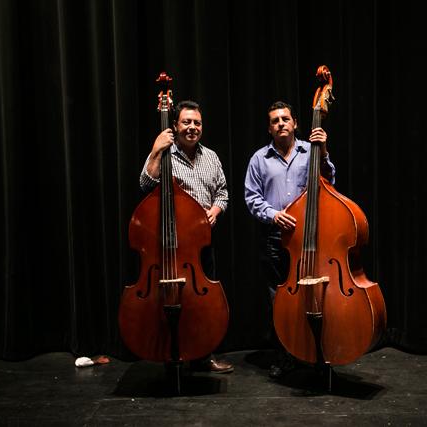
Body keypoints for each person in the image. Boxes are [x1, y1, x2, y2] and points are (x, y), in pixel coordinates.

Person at [139, 99, 233, 374]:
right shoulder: (164, 153)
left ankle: (203, 355)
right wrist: (157, 150)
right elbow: (146, 184)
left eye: (197, 123)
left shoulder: (211, 157)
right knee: (169, 301)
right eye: (186, 122)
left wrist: (216, 210)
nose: (192, 127)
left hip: (201, 244)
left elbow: (223, 193)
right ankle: (170, 353)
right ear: (175, 126)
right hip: (169, 245)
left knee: (201, 303)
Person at [244, 101, 335, 379]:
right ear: (269, 128)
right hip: (274, 239)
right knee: (279, 300)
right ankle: (285, 355)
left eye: (285, 119)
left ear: (295, 123)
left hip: (309, 240)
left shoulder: (312, 151)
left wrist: (325, 151)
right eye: (275, 120)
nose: (281, 123)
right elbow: (252, 197)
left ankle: (318, 350)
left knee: (316, 295)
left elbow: (329, 182)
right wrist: (273, 215)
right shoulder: (259, 159)